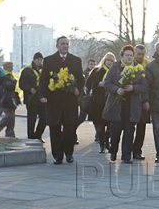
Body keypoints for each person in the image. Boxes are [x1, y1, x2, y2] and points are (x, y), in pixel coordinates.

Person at [39, 36, 84, 164]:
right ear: (57, 46)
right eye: (62, 44)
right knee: (55, 128)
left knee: (70, 128)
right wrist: (42, 95)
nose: (65, 46)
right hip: (54, 101)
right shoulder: (48, 60)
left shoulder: (76, 60)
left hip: (70, 101)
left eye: (67, 44)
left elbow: (81, 79)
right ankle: (57, 155)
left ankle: (69, 153)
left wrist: (78, 90)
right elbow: (43, 80)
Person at [102, 45, 147, 163]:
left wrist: (133, 87)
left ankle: (126, 156)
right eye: (127, 55)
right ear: (122, 56)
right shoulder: (115, 67)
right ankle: (113, 150)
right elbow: (107, 83)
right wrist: (116, 89)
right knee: (115, 130)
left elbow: (144, 86)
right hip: (117, 105)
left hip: (132, 105)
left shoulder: (138, 68)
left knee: (129, 130)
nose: (129, 57)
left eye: (131, 55)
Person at [85, 52, 116, 153]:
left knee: (110, 124)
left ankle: (107, 141)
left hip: (110, 100)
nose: (110, 63)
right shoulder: (97, 70)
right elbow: (89, 83)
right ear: (104, 61)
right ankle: (102, 143)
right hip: (98, 100)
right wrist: (99, 84)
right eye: (108, 60)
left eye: (112, 61)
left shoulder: (115, 71)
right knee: (99, 124)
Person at [19, 52, 47, 141]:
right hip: (31, 99)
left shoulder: (45, 70)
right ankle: (31, 137)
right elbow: (22, 84)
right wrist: (30, 89)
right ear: (34, 60)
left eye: (41, 60)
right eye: (38, 60)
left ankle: (38, 135)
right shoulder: (27, 70)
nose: (40, 61)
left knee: (45, 118)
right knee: (32, 119)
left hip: (42, 98)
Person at [131, 44, 150, 160]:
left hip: (143, 101)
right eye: (138, 54)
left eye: (142, 54)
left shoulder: (148, 65)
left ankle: (137, 150)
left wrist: (146, 100)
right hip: (131, 101)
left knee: (141, 127)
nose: (140, 56)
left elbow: (148, 85)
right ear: (134, 53)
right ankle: (127, 149)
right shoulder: (129, 64)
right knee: (129, 127)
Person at [0, 61, 20, 137]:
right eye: (9, 67)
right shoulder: (4, 76)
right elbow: (9, 86)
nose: (11, 68)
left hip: (11, 99)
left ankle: (10, 133)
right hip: (6, 99)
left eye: (11, 67)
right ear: (6, 68)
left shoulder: (11, 76)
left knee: (12, 117)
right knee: (9, 116)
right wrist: (14, 82)